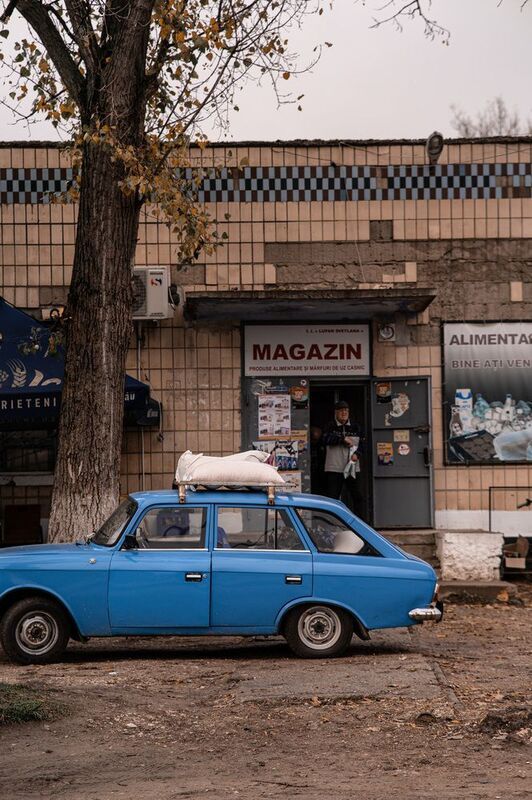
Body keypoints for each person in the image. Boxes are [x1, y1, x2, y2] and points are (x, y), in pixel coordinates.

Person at [322, 400, 364, 517]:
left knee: (358, 497)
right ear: (335, 412)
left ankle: (360, 524)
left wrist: (358, 454)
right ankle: (331, 524)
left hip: (352, 468)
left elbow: (364, 444)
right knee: (332, 499)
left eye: (346, 410)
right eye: (341, 410)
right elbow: (325, 439)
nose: (344, 413)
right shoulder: (330, 426)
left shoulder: (356, 427)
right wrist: (342, 439)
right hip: (334, 468)